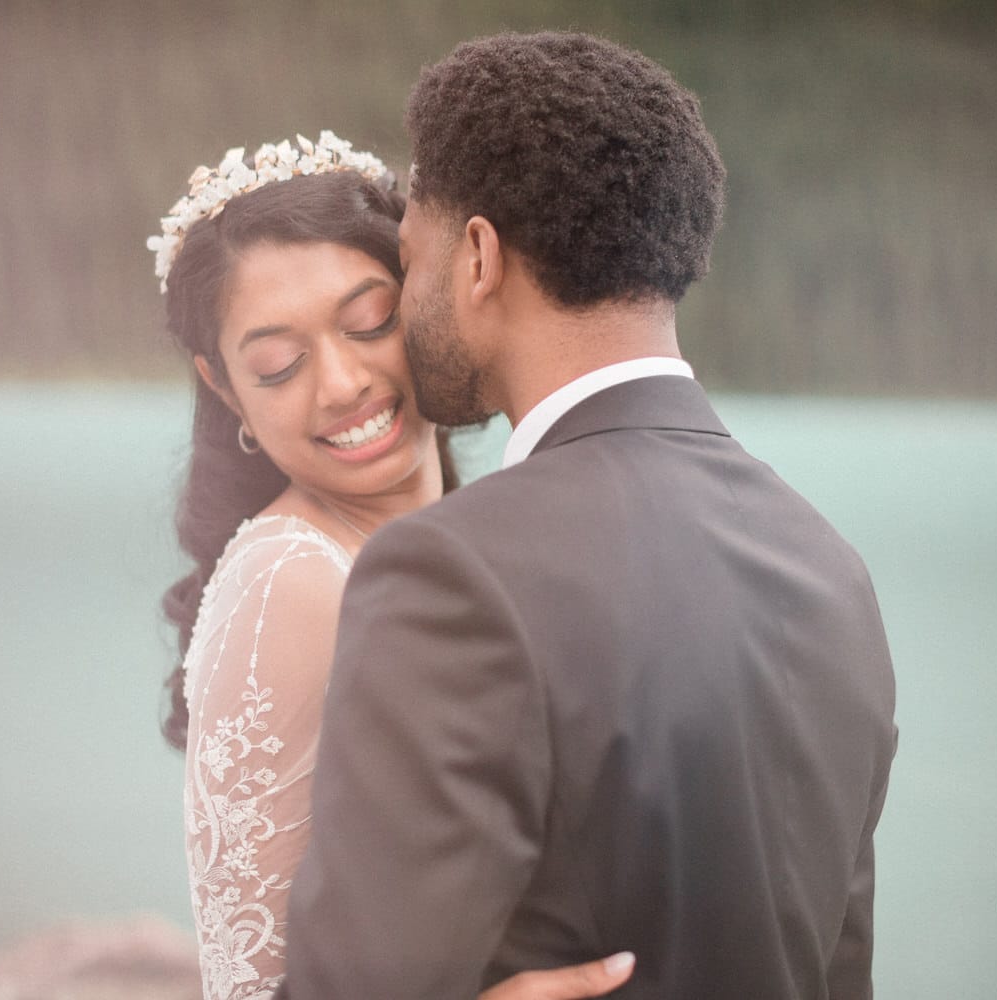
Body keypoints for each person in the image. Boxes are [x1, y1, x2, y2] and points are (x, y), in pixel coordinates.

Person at [276, 33, 899, 1000]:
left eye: (412, 260)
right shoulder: (833, 572)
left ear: (478, 255)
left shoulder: (451, 576)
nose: (405, 311)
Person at [151, 133, 635, 1000]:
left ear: (429, 301)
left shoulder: (491, 549)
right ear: (227, 392)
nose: (340, 384)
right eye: (278, 364)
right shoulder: (287, 581)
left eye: (369, 321)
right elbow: (251, 986)